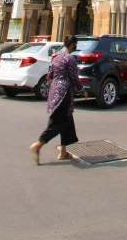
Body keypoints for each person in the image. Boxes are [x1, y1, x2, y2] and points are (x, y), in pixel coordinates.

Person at [29, 35, 87, 165]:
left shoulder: (56, 57)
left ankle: (63, 152)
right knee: (58, 121)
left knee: (67, 120)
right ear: (72, 45)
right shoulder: (69, 59)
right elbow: (74, 78)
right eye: (75, 45)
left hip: (54, 90)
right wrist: (82, 90)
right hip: (64, 92)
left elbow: (50, 75)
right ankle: (38, 145)